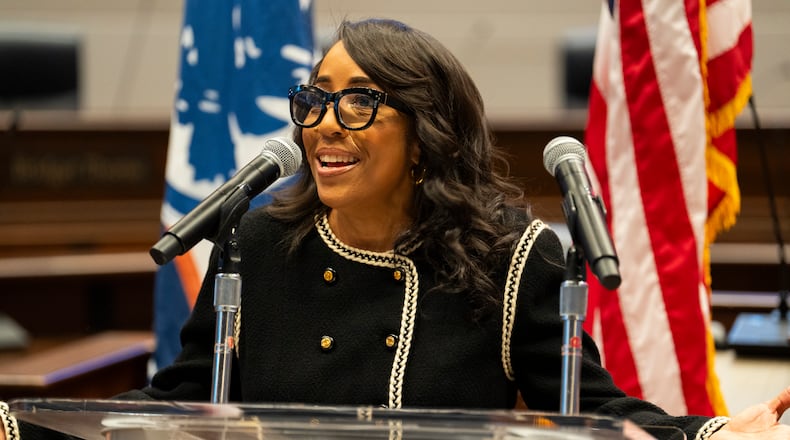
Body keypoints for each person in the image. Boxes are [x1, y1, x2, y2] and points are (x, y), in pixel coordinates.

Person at [2, 17, 789, 440]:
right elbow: (177, 403)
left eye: (356, 102)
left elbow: (594, 413)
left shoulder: (511, 259)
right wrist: (23, 427)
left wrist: (711, 436)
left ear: (426, 129)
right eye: (313, 102)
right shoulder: (261, 244)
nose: (323, 127)